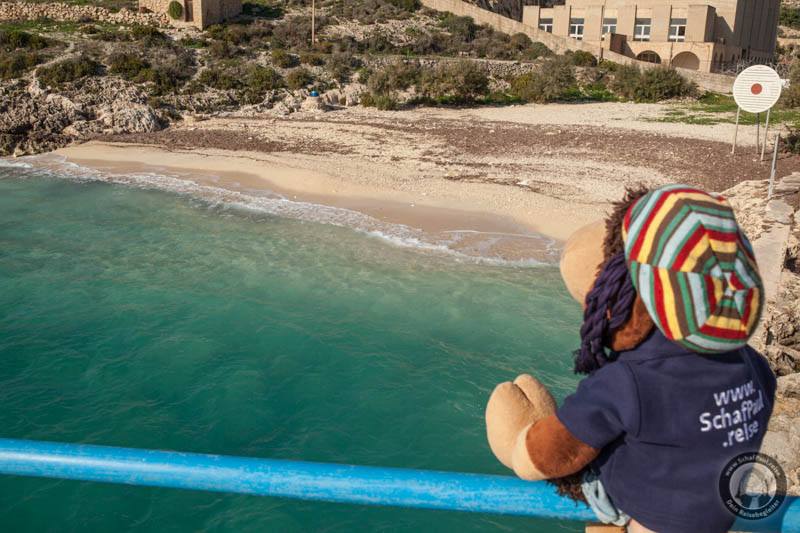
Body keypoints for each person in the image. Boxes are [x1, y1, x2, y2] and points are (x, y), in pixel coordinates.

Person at [485, 185, 778, 532]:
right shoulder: (749, 362)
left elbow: (552, 454)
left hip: (649, 520)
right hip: (721, 513)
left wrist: (522, 444)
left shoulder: (630, 379)